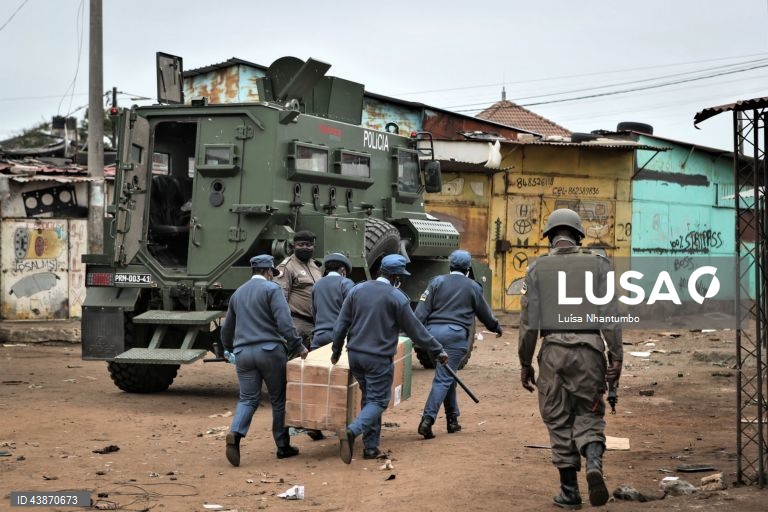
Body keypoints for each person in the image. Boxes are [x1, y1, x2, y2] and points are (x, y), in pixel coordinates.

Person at [518, 208, 623, 509]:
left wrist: (525, 362)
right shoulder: (599, 265)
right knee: (589, 413)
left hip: (552, 353)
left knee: (558, 419)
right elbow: (610, 315)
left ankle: (570, 492)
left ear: (549, 237)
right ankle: (593, 464)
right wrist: (616, 356)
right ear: (578, 236)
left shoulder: (536, 268)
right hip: (590, 351)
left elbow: (529, 323)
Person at [330, 254, 448, 464]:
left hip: (355, 355)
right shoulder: (397, 297)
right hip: (378, 358)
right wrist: (437, 349)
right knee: (378, 401)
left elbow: (341, 324)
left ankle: (371, 448)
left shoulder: (357, 290)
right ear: (395, 277)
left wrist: (336, 351)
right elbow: (416, 330)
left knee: (369, 399)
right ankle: (352, 431)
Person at [221, 254, 309, 467]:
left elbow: (227, 329)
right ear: (269, 272)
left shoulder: (238, 293)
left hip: (243, 354)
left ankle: (236, 433)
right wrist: (298, 346)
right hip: (270, 351)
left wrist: (229, 348)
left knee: (247, 399)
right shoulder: (272, 290)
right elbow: (285, 322)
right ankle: (283, 446)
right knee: (278, 400)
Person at [414, 249, 503, 439]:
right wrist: (496, 327)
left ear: (450, 265)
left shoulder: (436, 282)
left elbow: (420, 312)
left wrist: (415, 334)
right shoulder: (473, 287)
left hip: (432, 336)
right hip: (455, 337)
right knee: (443, 379)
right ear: (468, 268)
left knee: (448, 375)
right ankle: (427, 420)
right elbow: (484, 314)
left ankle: (452, 420)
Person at [274, 230, 323, 349]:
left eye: (308, 245)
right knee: (293, 359)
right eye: (301, 245)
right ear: (293, 246)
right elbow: (280, 300)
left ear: (314, 247)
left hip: (315, 325)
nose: (305, 247)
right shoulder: (286, 267)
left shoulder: (315, 266)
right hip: (296, 324)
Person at [311, 252, 355, 350]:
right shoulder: (346, 283)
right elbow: (352, 312)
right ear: (343, 270)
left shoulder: (317, 284)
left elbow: (314, 311)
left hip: (319, 336)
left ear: (327, 269)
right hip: (339, 337)